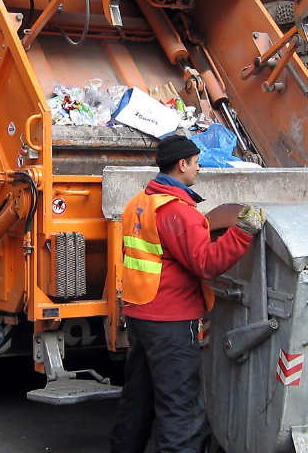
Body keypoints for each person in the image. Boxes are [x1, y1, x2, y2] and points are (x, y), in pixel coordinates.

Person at [110, 135, 266, 453]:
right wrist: (243, 231)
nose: (198, 168)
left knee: (137, 401)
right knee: (180, 410)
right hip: (172, 322)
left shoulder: (137, 202)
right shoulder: (178, 211)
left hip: (141, 315)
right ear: (182, 164)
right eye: (196, 162)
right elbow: (207, 263)